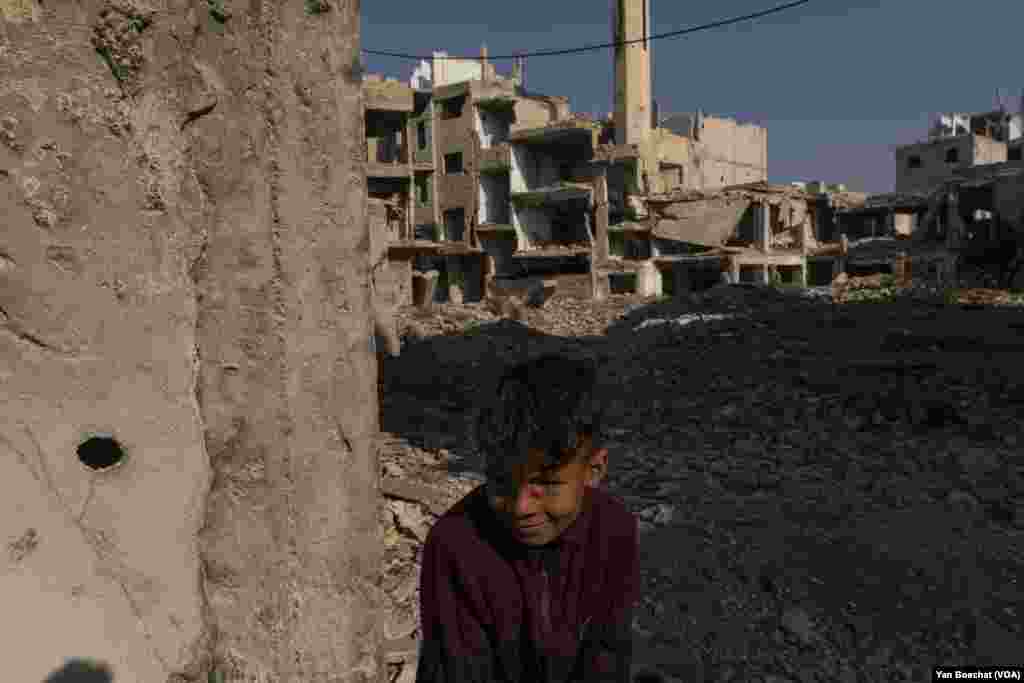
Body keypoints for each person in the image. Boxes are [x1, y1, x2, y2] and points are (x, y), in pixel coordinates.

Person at [416, 353, 639, 683]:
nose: (521, 507)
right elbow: (459, 669)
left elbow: (608, 653)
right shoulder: (456, 546)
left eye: (546, 484)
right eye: (503, 481)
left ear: (594, 469)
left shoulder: (614, 531)